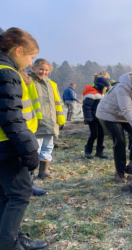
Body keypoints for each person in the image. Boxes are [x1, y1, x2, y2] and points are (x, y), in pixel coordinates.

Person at [0, 27, 48, 250]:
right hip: (6, 146)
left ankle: (11, 238)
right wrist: (29, 150)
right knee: (19, 195)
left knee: (5, 194)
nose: (30, 63)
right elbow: (11, 118)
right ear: (18, 50)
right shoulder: (7, 73)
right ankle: (9, 244)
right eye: (30, 56)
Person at [28, 59, 66, 179]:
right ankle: (31, 172)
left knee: (48, 146)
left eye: (46, 70)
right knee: (36, 148)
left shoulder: (52, 84)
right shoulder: (28, 82)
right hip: (36, 122)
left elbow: (57, 102)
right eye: (41, 69)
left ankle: (44, 170)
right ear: (33, 68)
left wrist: (60, 119)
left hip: (51, 122)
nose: (43, 72)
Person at [82, 77, 110, 159]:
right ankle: (88, 151)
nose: (105, 89)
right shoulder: (91, 94)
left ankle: (99, 152)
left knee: (101, 135)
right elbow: (87, 107)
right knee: (94, 134)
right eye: (105, 87)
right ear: (101, 86)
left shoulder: (101, 94)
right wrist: (88, 118)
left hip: (100, 119)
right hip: (93, 119)